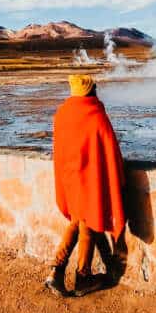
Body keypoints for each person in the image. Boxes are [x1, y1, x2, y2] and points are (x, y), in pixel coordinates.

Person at [45, 73, 126, 297]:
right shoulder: (96, 113)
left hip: (70, 177)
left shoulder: (62, 113)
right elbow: (109, 145)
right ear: (91, 90)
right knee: (87, 220)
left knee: (78, 219)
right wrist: (115, 170)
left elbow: (60, 148)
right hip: (90, 177)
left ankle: (56, 271)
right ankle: (82, 277)